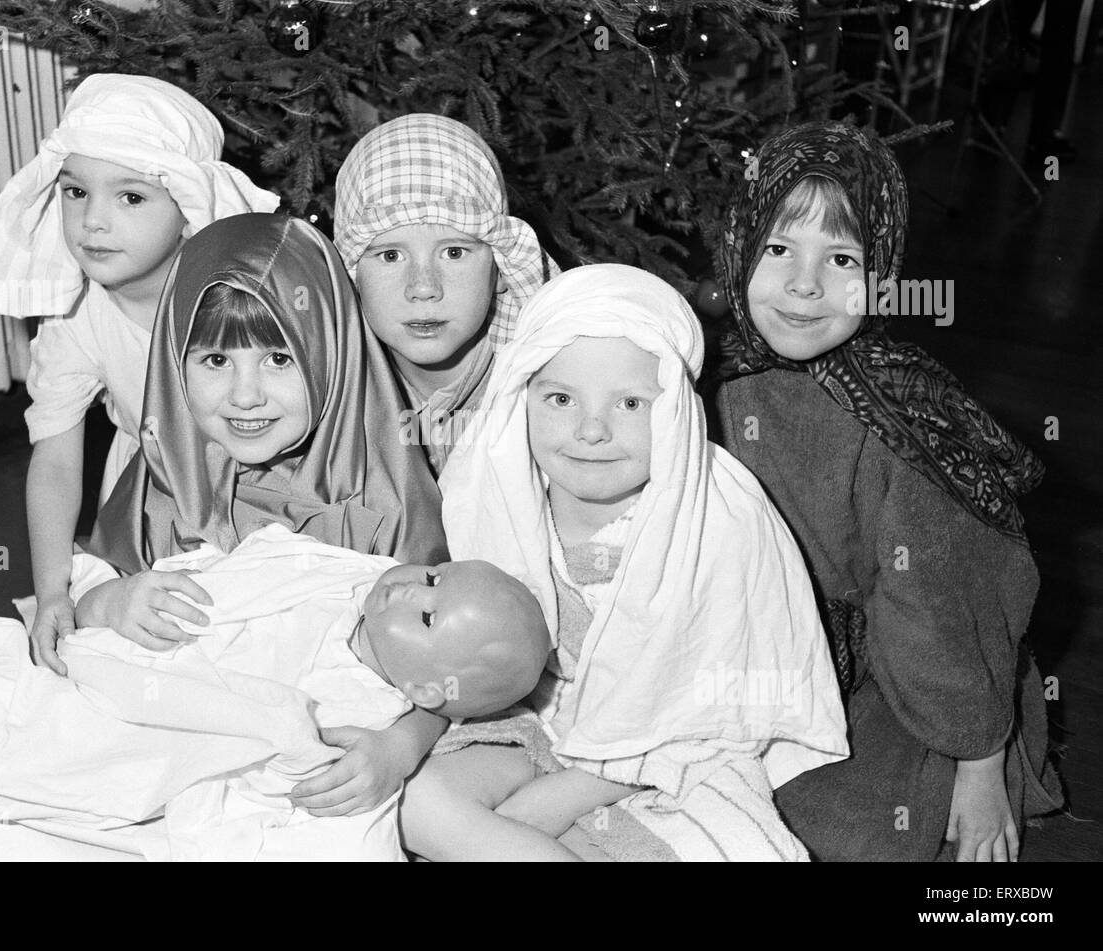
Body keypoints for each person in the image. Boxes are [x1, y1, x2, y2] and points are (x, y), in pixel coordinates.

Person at [399, 264, 849, 862]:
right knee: (417, 806)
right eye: (561, 399)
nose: (590, 430)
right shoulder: (494, 490)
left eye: (631, 402)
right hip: (530, 717)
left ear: (676, 413)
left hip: (668, 748)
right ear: (520, 398)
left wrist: (560, 797)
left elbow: (716, 701)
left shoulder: (718, 516)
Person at [707, 121, 1062, 861]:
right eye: (778, 249)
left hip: (902, 670)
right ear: (740, 248)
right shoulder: (705, 379)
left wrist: (979, 761)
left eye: (842, 258)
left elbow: (943, 603)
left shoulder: (904, 420)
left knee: (833, 831)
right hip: (746, 653)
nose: (805, 284)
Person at [76, 212, 450, 821]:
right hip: (173, 736)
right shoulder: (164, 472)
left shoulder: (389, 490)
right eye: (215, 362)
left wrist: (400, 747)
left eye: (279, 359)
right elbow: (91, 599)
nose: (245, 395)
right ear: (174, 364)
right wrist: (110, 604)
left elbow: (454, 649)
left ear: (332, 350)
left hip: (310, 765)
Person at [0, 525, 549, 861]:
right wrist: (115, 603)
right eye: (433, 576)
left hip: (187, 737)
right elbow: (237, 574)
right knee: (77, 702)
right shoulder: (342, 578)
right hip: (156, 661)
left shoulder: (371, 708)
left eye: (427, 618)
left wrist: (392, 741)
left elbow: (293, 781)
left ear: (423, 687)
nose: (410, 588)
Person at [0, 73, 279, 677]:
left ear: (187, 210)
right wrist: (54, 590)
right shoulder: (76, 319)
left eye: (129, 197)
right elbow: (54, 461)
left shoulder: (243, 298)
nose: (92, 223)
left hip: (271, 487)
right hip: (151, 499)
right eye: (76, 193)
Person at [333, 113, 555, 473]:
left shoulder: (545, 393)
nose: (423, 288)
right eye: (390, 255)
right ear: (353, 276)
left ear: (501, 268)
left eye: (454, 253)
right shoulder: (334, 393)